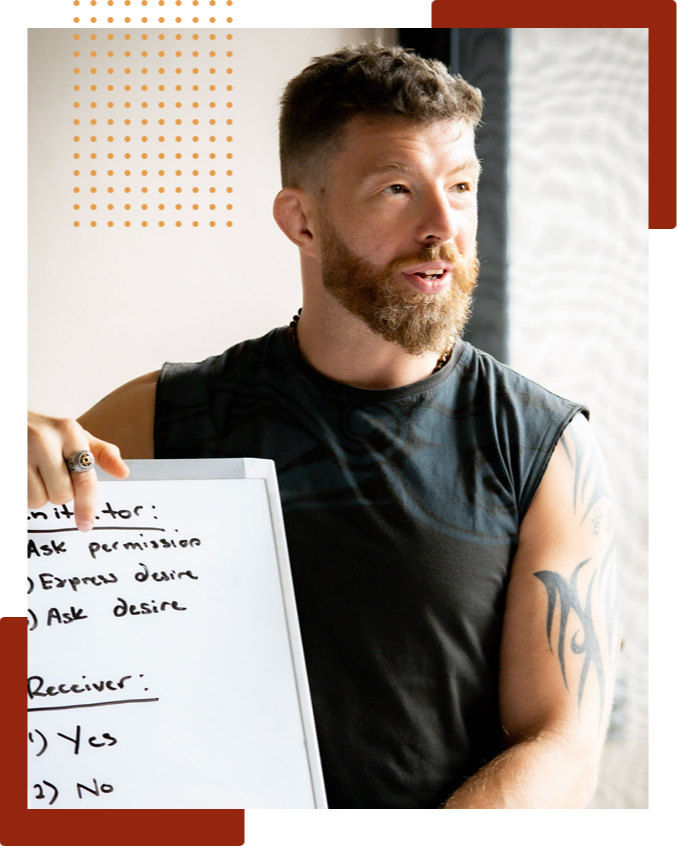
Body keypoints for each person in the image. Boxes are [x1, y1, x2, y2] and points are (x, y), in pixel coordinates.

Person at [27, 42, 620, 809]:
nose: (444, 224)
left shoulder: (544, 447)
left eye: (462, 186)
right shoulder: (154, 419)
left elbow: (561, 745)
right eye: (397, 189)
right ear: (302, 220)